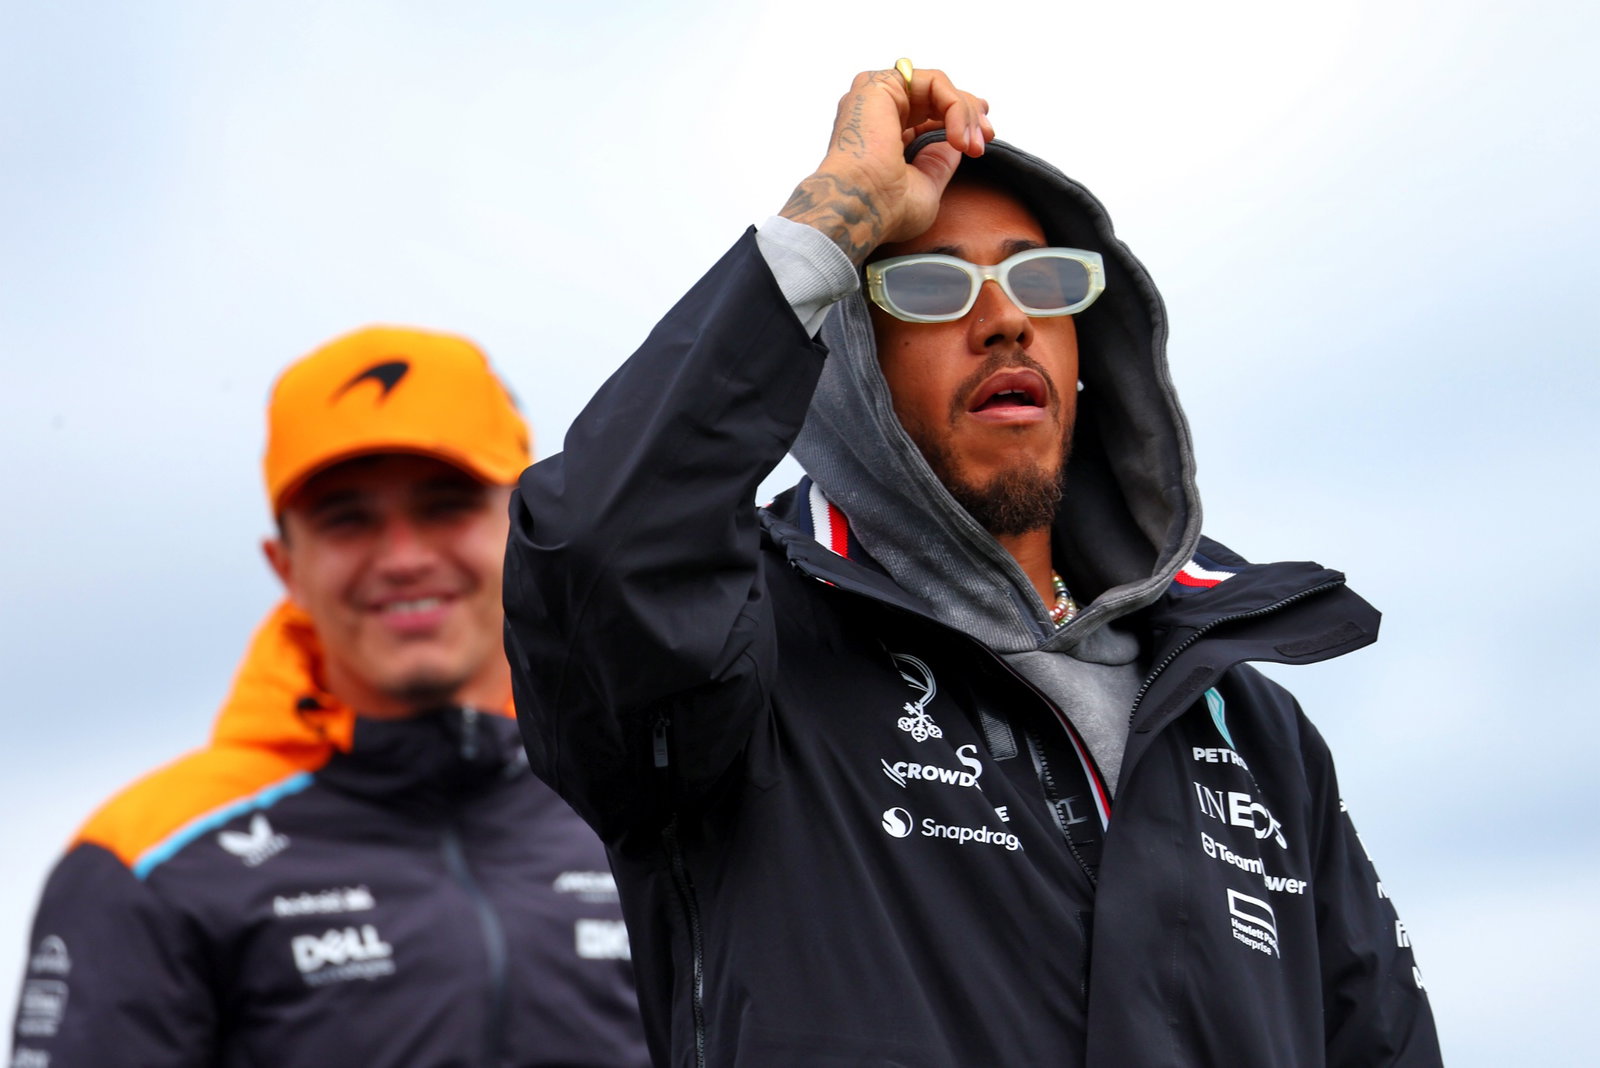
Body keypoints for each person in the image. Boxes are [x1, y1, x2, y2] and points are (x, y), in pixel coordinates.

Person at [503, 65, 1443, 1067]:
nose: (1003, 319)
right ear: (849, 357)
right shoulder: (744, 646)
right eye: (929, 284)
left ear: (1087, 348)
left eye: (1039, 279)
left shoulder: (1250, 722)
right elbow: (598, 551)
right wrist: (838, 213)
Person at [10, 327, 650, 1067]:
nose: (404, 558)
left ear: (524, 526)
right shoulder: (150, 857)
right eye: (348, 519)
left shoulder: (646, 809)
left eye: (446, 504)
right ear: (285, 565)